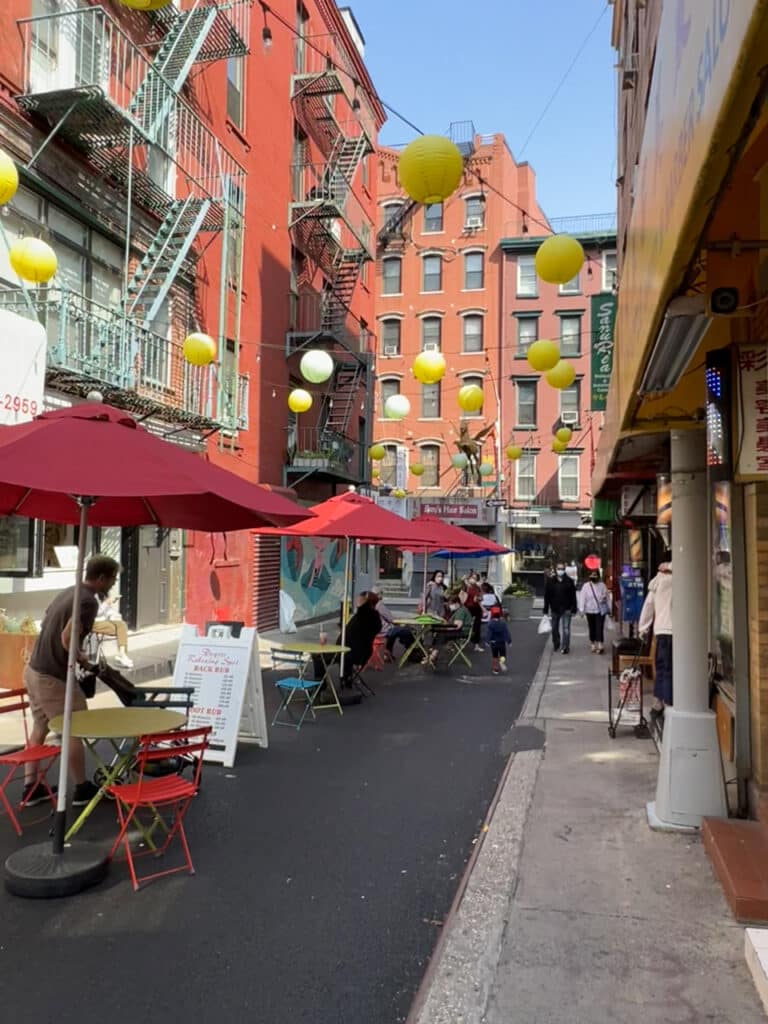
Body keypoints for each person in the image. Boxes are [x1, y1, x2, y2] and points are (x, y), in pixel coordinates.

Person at [23, 554, 120, 807]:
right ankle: (81, 788)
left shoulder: (70, 591)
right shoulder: (88, 602)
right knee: (74, 728)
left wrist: (76, 653)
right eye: (112, 578)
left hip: (34, 670)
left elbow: (48, 622)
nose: (113, 582)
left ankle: (31, 787)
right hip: (52, 676)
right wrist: (82, 660)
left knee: (40, 727)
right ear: (101, 578)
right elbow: (68, 637)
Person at [638, 561, 673, 720]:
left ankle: (660, 703)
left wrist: (643, 629)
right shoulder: (683, 580)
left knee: (662, 668)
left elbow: (648, 607)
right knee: (674, 669)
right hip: (681, 633)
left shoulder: (657, 583)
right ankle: (671, 701)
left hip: (662, 631)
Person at [339, 591, 382, 687]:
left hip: (351, 653)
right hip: (357, 652)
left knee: (318, 658)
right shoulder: (370, 617)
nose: (357, 601)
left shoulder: (364, 617)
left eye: (360, 600)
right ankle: (346, 679)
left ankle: (321, 686)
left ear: (366, 602)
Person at [425, 592, 473, 666]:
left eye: (451, 604)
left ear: (457, 603)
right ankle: (433, 652)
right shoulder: (459, 610)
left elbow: (457, 626)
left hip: (462, 631)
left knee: (442, 634)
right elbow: (452, 624)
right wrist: (441, 621)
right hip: (460, 630)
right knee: (439, 632)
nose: (450, 606)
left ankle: (433, 655)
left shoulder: (461, 611)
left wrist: (445, 628)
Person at [543, 562, 578, 654]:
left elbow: (573, 596)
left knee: (566, 629)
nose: (560, 570)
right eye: (559, 569)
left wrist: (574, 608)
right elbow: (547, 597)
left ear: (564, 570)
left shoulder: (569, 581)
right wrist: (545, 610)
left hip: (566, 608)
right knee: (554, 628)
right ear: (556, 569)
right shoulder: (550, 582)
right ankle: (556, 643)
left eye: (562, 569)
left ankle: (565, 647)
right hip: (555, 609)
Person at [92, 593, 133, 668]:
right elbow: (95, 613)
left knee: (122, 626)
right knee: (122, 628)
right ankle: (122, 655)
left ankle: (122, 654)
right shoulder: (93, 596)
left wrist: (116, 616)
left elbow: (109, 612)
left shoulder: (104, 595)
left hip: (104, 622)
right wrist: (107, 603)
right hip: (93, 623)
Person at [373, 592, 415, 661]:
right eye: (381, 594)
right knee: (407, 631)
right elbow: (391, 619)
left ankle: (387, 654)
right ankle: (411, 651)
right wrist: (400, 623)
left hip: (377, 631)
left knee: (395, 632)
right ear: (378, 595)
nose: (382, 596)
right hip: (384, 630)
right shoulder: (379, 605)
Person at [578, 571, 610, 654]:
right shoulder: (586, 586)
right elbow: (582, 598)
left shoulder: (602, 585)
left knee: (599, 627)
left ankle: (600, 644)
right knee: (592, 627)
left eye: (595, 575)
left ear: (598, 576)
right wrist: (581, 609)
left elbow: (607, 597)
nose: (594, 577)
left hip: (599, 610)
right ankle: (592, 643)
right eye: (592, 575)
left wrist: (608, 607)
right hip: (589, 610)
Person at [462, 571, 484, 651]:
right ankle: (462, 642)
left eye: (475, 578)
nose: (473, 580)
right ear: (469, 578)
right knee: (466, 626)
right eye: (472, 578)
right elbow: (461, 597)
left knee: (477, 627)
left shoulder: (477, 587)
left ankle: (476, 645)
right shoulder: (466, 587)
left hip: (476, 608)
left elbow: (481, 597)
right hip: (467, 608)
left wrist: (479, 598)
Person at [487, 606, 511, 674]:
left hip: (494, 642)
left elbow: (489, 633)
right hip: (501, 642)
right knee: (503, 655)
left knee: (494, 656)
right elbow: (506, 632)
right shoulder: (503, 623)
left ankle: (495, 668)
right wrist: (509, 641)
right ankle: (501, 662)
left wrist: (487, 641)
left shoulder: (490, 624)